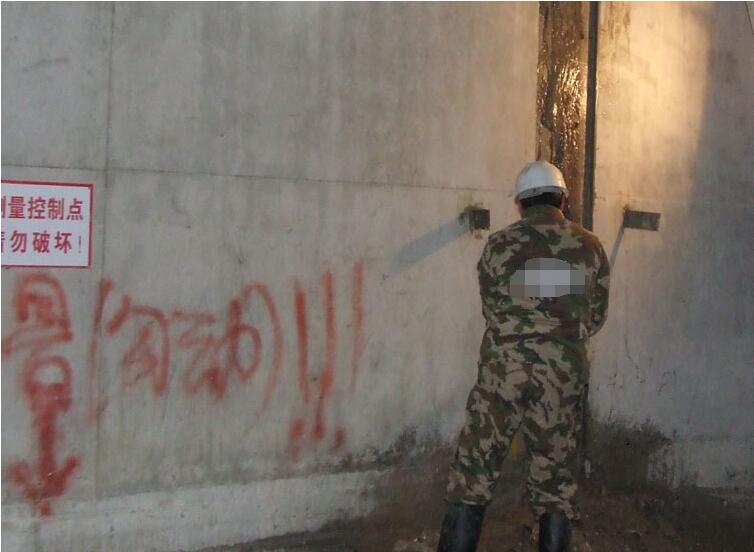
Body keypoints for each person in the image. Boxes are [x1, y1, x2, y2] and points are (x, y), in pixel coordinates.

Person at [437, 161, 610, 552]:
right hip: (561, 379)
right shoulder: (590, 247)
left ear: (520, 203)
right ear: (562, 198)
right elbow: (596, 316)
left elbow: (492, 309)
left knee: (474, 472)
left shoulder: (500, 245)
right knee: (555, 484)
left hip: (505, 374)